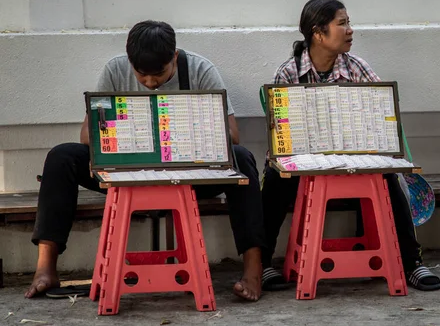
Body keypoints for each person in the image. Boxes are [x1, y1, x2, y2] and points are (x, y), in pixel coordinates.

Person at [26, 20, 265, 302]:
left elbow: (233, 135)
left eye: (160, 74)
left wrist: (181, 128)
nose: (151, 83)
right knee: (60, 157)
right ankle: (45, 269)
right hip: (127, 172)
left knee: (243, 159)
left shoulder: (200, 70)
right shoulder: (115, 70)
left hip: (188, 174)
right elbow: (86, 136)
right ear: (130, 62)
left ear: (174, 57)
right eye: (142, 76)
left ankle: (253, 269)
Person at [260, 0, 440, 292]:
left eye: (348, 22)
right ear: (318, 33)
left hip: (354, 162)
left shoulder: (358, 68)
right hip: (306, 167)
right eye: (342, 23)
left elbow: (383, 119)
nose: (350, 30)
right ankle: (264, 264)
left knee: (390, 177)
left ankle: (411, 263)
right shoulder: (288, 74)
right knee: (273, 179)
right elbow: (282, 136)